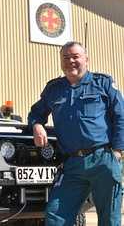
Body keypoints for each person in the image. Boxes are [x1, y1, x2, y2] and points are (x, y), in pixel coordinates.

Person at [28, 41, 124, 226]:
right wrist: (37, 125)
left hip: (102, 159)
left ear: (86, 60)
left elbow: (120, 116)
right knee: (56, 216)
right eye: (66, 57)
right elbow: (36, 113)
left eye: (75, 56)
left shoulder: (102, 84)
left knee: (109, 219)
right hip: (72, 164)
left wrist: (118, 152)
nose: (70, 61)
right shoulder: (54, 89)